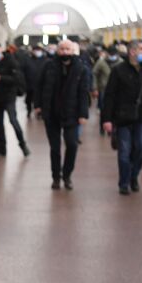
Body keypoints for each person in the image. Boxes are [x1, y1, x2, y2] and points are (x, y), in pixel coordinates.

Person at [102, 39, 142, 195]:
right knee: (124, 152)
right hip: (122, 118)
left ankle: (133, 175)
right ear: (132, 51)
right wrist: (106, 119)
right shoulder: (118, 71)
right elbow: (109, 96)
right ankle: (124, 183)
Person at [35, 40, 89, 190]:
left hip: (72, 113)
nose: (65, 52)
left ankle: (67, 174)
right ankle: (56, 177)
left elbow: (84, 92)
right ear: (57, 51)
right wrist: (38, 105)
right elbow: (39, 85)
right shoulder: (48, 66)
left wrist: (83, 114)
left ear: (73, 51)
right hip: (51, 112)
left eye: (68, 49)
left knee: (72, 144)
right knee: (55, 148)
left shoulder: (81, 68)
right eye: (62, 49)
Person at [0, 42, 30, 157]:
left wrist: (1, 78)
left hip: (8, 97)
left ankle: (22, 144)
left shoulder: (11, 61)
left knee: (13, 120)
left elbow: (16, 78)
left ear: (1, 50)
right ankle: (2, 148)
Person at [20, 44, 46, 118]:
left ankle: (39, 112)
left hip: (41, 84)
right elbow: (22, 70)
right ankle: (29, 110)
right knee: (29, 99)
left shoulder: (45, 60)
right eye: (36, 50)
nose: (37, 52)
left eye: (39, 50)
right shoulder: (27, 59)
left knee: (39, 98)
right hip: (29, 83)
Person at [92, 47, 113, 135]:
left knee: (113, 109)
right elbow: (94, 73)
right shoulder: (101, 62)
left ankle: (111, 128)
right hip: (103, 89)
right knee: (103, 109)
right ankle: (102, 127)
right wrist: (95, 88)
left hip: (115, 90)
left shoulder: (120, 62)